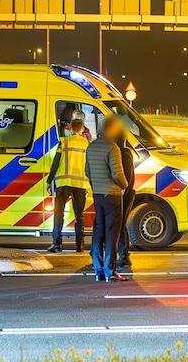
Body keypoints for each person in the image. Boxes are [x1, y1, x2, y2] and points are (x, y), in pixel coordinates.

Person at [85, 116, 129, 282]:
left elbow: (87, 172)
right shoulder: (113, 148)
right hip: (112, 195)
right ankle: (110, 270)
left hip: (97, 195)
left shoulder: (91, 147)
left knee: (98, 231)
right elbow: (117, 174)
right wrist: (124, 186)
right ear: (111, 129)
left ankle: (98, 271)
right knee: (112, 234)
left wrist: (96, 185)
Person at [46, 111, 89, 254]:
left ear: (70, 129)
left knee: (59, 214)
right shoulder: (86, 144)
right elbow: (89, 165)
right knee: (79, 215)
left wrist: (49, 180)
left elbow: (56, 162)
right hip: (80, 184)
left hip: (63, 183)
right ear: (82, 129)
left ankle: (56, 243)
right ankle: (80, 245)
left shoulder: (63, 142)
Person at [116, 118, 139, 273]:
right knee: (119, 225)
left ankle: (124, 256)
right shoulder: (125, 153)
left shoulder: (123, 154)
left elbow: (126, 177)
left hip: (123, 194)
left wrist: (121, 189)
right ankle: (122, 255)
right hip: (125, 192)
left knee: (120, 225)